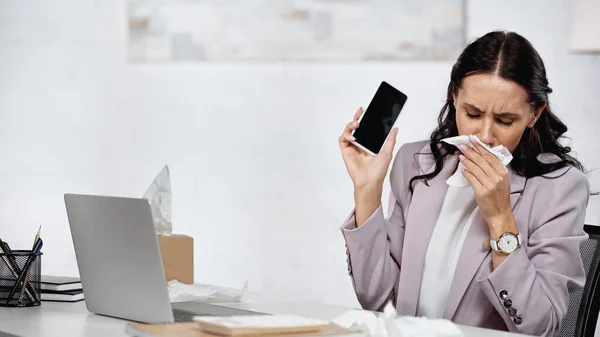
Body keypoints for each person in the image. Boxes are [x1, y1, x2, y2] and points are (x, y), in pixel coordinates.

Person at [338, 30, 590, 337]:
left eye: (505, 120)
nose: (484, 135)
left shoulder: (560, 188)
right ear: (454, 97)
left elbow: (541, 325)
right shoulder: (415, 163)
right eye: (472, 113)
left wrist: (500, 219)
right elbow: (376, 300)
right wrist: (367, 190)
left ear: (534, 114)